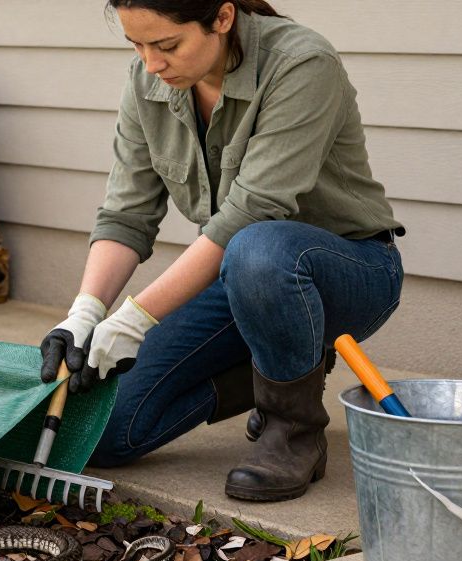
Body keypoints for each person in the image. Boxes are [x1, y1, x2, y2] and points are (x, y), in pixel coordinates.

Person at [40, 0, 404, 502]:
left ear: (223, 18)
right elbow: (126, 213)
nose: (151, 63)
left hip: (347, 272)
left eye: (167, 45)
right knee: (102, 429)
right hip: (239, 278)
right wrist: (85, 313)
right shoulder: (148, 81)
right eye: (137, 45)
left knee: (258, 246)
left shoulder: (301, 63)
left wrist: (133, 321)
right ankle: (274, 370)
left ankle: (292, 432)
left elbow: (248, 215)